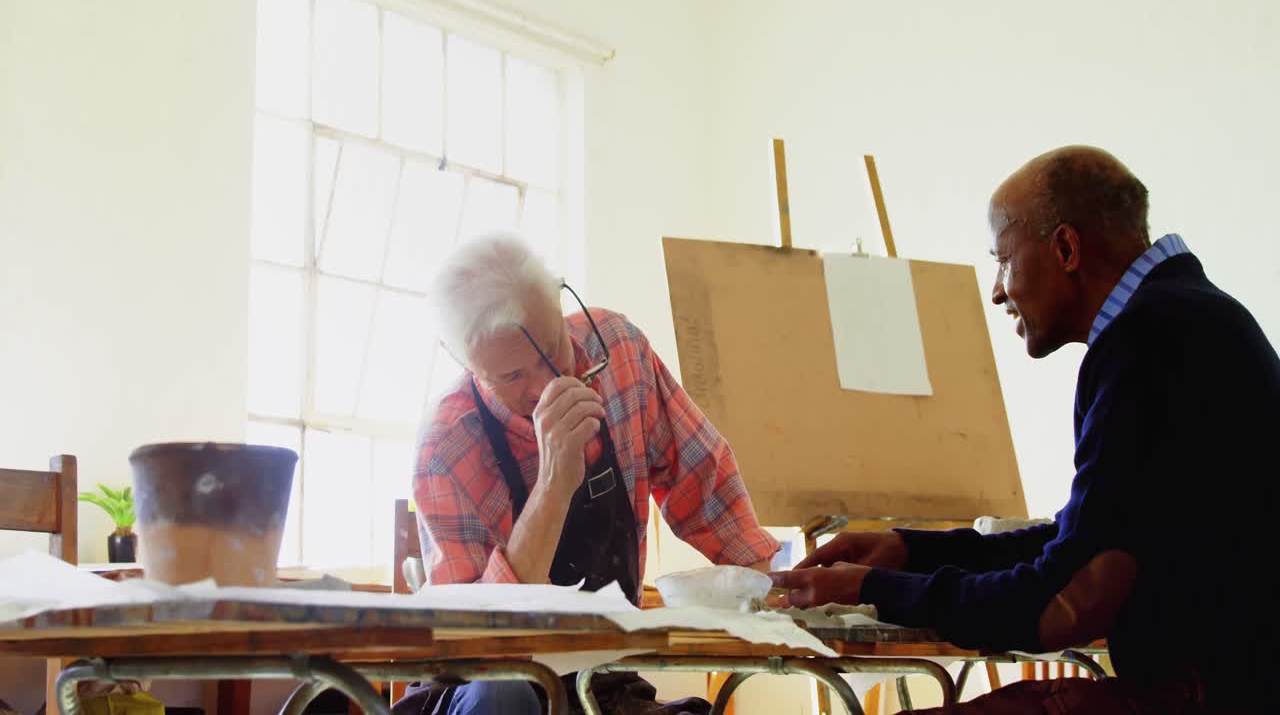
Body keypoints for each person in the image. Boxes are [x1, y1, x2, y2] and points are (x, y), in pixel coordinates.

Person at [770, 145, 1279, 713]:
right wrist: (906, 551)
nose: (996, 290)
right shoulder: (1190, 317)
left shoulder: (1146, 341)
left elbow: (1056, 602)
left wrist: (873, 589)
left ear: (1065, 248)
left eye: (1003, 258)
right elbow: (1082, 542)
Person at [397, 233, 779, 715]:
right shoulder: (447, 448)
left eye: (551, 348)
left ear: (560, 305)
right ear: (470, 366)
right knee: (505, 695)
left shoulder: (618, 348)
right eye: (512, 377)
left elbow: (701, 473)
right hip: (491, 683)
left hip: (604, 682)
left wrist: (760, 590)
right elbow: (482, 640)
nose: (545, 385)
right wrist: (555, 483)